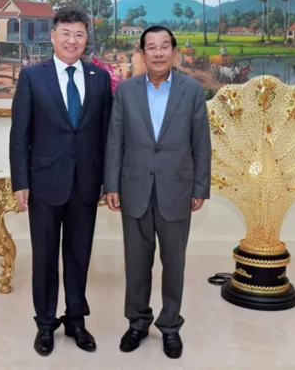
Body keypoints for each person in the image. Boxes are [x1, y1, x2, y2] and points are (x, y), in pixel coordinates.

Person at [9, 7, 113, 357]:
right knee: (45, 257)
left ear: (86, 39)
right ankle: (45, 324)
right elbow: (19, 135)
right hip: (43, 182)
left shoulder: (100, 78)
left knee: (79, 256)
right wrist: (20, 181)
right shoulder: (32, 76)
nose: (72, 40)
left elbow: (107, 136)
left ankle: (76, 320)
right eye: (66, 33)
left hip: (86, 182)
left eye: (79, 34)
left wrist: (108, 181)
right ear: (53, 36)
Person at [103, 25, 211, 359]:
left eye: (165, 46)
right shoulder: (126, 90)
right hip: (134, 188)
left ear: (174, 52)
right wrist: (111, 185)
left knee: (174, 264)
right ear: (142, 53)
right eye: (152, 47)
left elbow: (201, 143)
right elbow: (115, 140)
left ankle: (170, 326)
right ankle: (137, 322)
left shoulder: (192, 91)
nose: (159, 53)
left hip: (177, 189)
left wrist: (200, 187)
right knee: (136, 262)